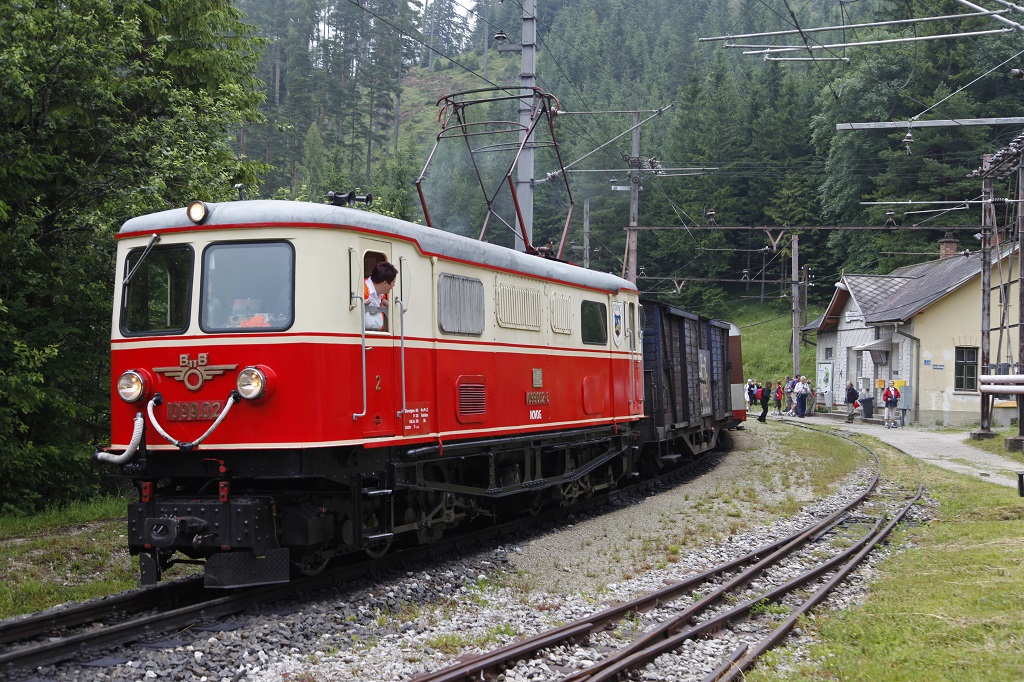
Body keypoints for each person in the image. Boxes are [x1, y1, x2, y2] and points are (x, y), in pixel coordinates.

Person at [364, 261, 398, 331]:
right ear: (384, 283)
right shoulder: (362, 289)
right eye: (393, 283)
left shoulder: (383, 296)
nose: (393, 285)